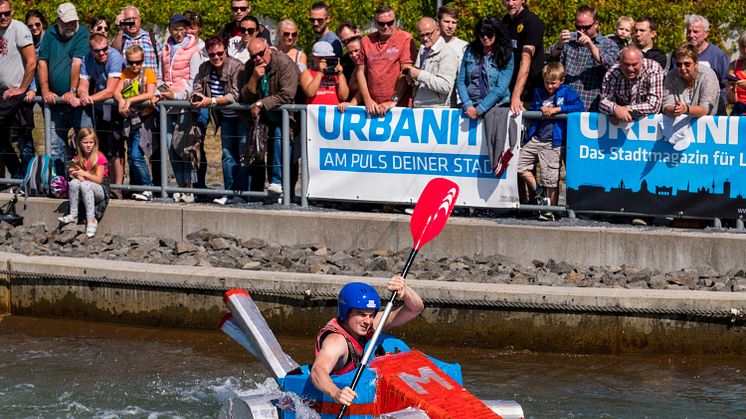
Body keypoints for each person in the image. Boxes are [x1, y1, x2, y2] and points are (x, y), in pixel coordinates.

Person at [310, 277, 424, 406]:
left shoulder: (370, 324)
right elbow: (317, 370)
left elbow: (414, 309)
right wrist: (335, 393)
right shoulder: (336, 341)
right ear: (345, 312)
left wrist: (405, 292)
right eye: (361, 314)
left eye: (371, 315)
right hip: (340, 397)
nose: (368, 321)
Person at [519, 62, 584, 218]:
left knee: (550, 178)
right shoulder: (539, 92)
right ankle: (538, 190)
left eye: (553, 83)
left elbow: (579, 107)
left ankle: (551, 210)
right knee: (519, 164)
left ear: (561, 80)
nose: (549, 86)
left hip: (554, 141)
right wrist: (539, 108)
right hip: (537, 137)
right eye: (547, 82)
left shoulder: (567, 92)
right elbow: (534, 108)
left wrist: (558, 109)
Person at [192, 35, 247, 205]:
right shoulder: (205, 68)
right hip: (225, 118)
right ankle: (230, 193)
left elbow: (235, 95)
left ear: (226, 50)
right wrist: (196, 96)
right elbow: (197, 86)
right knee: (227, 155)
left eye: (219, 53)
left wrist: (212, 101)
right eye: (212, 54)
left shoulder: (237, 66)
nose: (216, 57)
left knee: (244, 154)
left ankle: (243, 193)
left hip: (242, 117)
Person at [241, 37, 299, 196]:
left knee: (282, 144)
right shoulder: (250, 66)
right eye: (253, 56)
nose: (257, 58)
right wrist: (254, 77)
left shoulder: (284, 63)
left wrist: (261, 104)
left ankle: (280, 185)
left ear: (268, 49)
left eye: (260, 54)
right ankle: (256, 193)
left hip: (287, 117)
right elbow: (244, 97)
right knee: (256, 151)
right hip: (263, 118)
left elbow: (287, 95)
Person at [37, 2, 90, 170]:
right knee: (55, 144)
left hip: (76, 101)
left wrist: (72, 91)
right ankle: (57, 183)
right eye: (67, 22)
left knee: (86, 142)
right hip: (55, 102)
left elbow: (77, 64)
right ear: (58, 21)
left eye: (73, 21)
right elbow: (42, 62)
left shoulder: (82, 34)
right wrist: (45, 90)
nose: (71, 25)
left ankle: (87, 179)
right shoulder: (50, 34)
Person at [158, 14, 202, 203]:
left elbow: (194, 81)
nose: (178, 32)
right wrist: (160, 93)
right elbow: (161, 75)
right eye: (175, 28)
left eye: (181, 28)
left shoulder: (195, 50)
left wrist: (176, 96)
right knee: (170, 146)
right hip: (168, 105)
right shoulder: (166, 47)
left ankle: (189, 187)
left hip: (184, 103)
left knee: (185, 145)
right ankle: (178, 185)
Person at [76, 32, 126, 191]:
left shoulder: (115, 58)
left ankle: (117, 188)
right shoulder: (86, 59)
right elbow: (82, 85)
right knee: (103, 147)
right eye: (97, 51)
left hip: (117, 105)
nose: (102, 53)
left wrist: (88, 98)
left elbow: (110, 90)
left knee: (116, 148)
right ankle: (105, 184)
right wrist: (83, 95)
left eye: (105, 49)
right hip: (100, 107)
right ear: (91, 51)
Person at [548, 5, 619, 111]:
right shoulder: (568, 43)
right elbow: (549, 60)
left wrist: (591, 46)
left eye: (586, 27)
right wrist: (559, 45)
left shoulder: (608, 44)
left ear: (596, 24)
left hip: (591, 105)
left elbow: (610, 65)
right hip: (565, 106)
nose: (582, 31)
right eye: (578, 27)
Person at [113, 45, 157, 201]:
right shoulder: (126, 73)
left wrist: (129, 100)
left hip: (144, 119)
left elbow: (150, 93)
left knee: (136, 155)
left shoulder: (148, 73)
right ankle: (138, 187)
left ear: (143, 61)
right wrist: (120, 102)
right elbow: (116, 91)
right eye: (131, 62)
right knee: (132, 155)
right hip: (129, 120)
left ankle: (148, 187)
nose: (134, 66)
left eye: (138, 62)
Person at [357, 4, 416, 116]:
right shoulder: (365, 40)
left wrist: (393, 100)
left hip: (398, 107)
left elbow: (405, 71)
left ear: (395, 21)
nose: (386, 26)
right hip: (373, 107)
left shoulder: (405, 38)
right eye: (381, 23)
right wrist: (367, 100)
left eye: (390, 23)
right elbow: (360, 72)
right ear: (375, 23)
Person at [0, 0, 36, 179]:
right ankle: (17, 176)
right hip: (3, 94)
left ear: (12, 12)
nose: (3, 17)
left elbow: (31, 61)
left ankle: (29, 181)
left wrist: (22, 88)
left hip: (17, 94)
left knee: (24, 140)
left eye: (6, 13)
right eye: (0, 14)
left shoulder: (19, 29)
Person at [661, 43, 720, 151]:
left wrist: (686, 109)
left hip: (707, 130)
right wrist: (673, 109)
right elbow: (666, 104)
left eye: (687, 64)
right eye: (679, 64)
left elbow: (705, 109)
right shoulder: (671, 75)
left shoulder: (708, 76)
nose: (682, 68)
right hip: (677, 131)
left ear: (696, 63)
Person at [455, 15, 513, 120]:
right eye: (482, 34)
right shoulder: (470, 50)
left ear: (496, 33)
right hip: (470, 108)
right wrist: (468, 105)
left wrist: (480, 109)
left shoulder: (506, 54)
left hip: (497, 107)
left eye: (489, 34)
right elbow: (460, 81)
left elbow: (500, 88)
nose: (485, 37)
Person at [671, 15, 729, 115]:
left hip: (710, 114)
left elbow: (726, 85)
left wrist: (720, 102)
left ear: (706, 34)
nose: (691, 35)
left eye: (696, 32)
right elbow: (672, 80)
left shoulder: (718, 56)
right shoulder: (677, 54)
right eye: (689, 31)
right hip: (683, 112)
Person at [57, 127, 109, 238]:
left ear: (95, 143)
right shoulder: (77, 159)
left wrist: (83, 173)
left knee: (85, 184)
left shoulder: (99, 157)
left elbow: (99, 180)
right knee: (74, 183)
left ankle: (91, 219)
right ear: (79, 143)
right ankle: (73, 214)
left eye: (91, 142)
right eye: (85, 142)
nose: (88, 145)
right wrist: (75, 173)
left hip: (100, 189)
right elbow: (81, 181)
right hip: (86, 187)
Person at [599, 45, 664, 124]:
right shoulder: (612, 73)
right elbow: (603, 102)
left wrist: (623, 110)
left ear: (642, 61)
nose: (630, 69)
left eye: (634, 64)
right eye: (626, 64)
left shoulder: (654, 69)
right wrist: (614, 109)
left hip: (647, 127)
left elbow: (654, 106)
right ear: (620, 62)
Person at [501, 0, 545, 114]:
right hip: (507, 91)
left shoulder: (532, 22)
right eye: (507, 0)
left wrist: (516, 96)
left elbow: (525, 61)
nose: (510, 3)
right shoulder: (505, 20)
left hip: (527, 94)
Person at [408, 17, 458, 108]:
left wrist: (420, 75)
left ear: (438, 30)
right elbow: (423, 81)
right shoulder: (423, 50)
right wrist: (413, 79)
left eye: (428, 34)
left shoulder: (447, 53)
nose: (425, 38)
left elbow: (446, 86)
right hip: (420, 107)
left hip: (437, 110)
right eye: (421, 35)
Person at [112, 6, 162, 82]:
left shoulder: (152, 38)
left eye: (134, 19)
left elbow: (163, 63)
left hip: (151, 88)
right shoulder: (120, 39)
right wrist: (120, 30)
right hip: (128, 89)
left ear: (139, 19)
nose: (132, 23)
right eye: (128, 20)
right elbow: (113, 54)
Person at [437, 6, 468, 108]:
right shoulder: (428, 46)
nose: (450, 26)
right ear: (438, 22)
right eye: (447, 21)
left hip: (459, 103)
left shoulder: (464, 47)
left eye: (454, 22)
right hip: (435, 102)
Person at [727, 32, 746, 116]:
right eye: (743, 46)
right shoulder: (733, 65)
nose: (745, 50)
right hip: (739, 111)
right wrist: (732, 87)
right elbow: (730, 100)